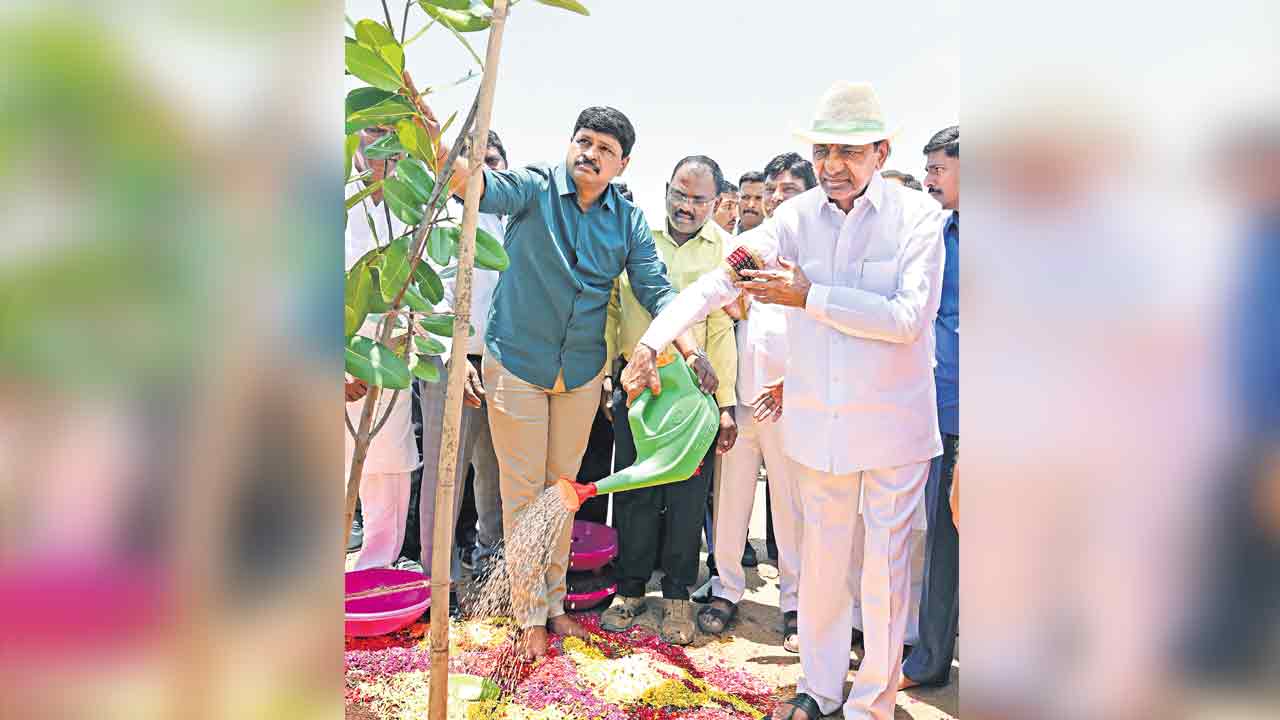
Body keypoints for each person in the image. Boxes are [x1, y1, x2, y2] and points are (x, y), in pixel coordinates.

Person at [621, 81, 946, 720]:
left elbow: (908, 318)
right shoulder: (795, 220)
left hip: (892, 430)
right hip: (818, 427)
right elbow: (723, 278)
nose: (832, 165)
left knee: (882, 573)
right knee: (822, 569)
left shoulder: (919, 219)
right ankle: (820, 691)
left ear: (881, 151)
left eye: (850, 151)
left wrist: (810, 297)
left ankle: (872, 699)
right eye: (824, 150)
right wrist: (653, 342)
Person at [425, 105, 719, 660]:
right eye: (584, 141)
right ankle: (527, 612)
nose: (591, 153)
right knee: (522, 491)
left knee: (564, 491)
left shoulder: (626, 221)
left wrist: (691, 347)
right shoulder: (535, 186)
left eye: (606, 149)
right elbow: (478, 186)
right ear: (571, 144)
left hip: (581, 373)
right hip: (517, 364)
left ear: (623, 163)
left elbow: (656, 289)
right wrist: (434, 141)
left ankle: (556, 605)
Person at [599, 156, 739, 645]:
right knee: (635, 490)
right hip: (637, 386)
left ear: (717, 203)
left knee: (686, 495)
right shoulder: (637, 236)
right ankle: (632, 588)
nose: (686, 206)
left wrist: (724, 405)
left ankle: (678, 592)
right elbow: (614, 309)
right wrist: (608, 373)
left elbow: (721, 331)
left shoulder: (725, 250)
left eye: (699, 199)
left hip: (692, 395)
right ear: (666, 190)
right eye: (679, 194)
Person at [695, 157, 816, 651]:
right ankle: (726, 588)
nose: (778, 197)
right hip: (742, 399)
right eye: (772, 190)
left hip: (792, 403)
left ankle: (795, 603)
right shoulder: (752, 246)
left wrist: (793, 383)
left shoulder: (819, 248)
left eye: (789, 189)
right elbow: (729, 304)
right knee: (731, 503)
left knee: (789, 509)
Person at [416, 131, 510, 611]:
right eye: (471, 159)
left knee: (495, 475)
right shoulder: (438, 215)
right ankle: (442, 585)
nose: (481, 169)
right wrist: (456, 361)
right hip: (446, 362)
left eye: (491, 160)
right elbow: (428, 297)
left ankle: (492, 568)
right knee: (444, 475)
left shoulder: (511, 218)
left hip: (502, 366)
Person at [344, 126, 421, 571]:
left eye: (393, 132)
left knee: (387, 465)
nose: (381, 142)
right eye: (374, 130)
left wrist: (383, 359)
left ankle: (375, 571)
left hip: (389, 358)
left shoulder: (415, 207)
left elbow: (429, 291)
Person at [900, 125, 960, 689]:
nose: (929, 180)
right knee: (943, 540)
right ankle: (930, 659)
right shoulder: (939, 232)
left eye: (939, 169)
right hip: (945, 411)